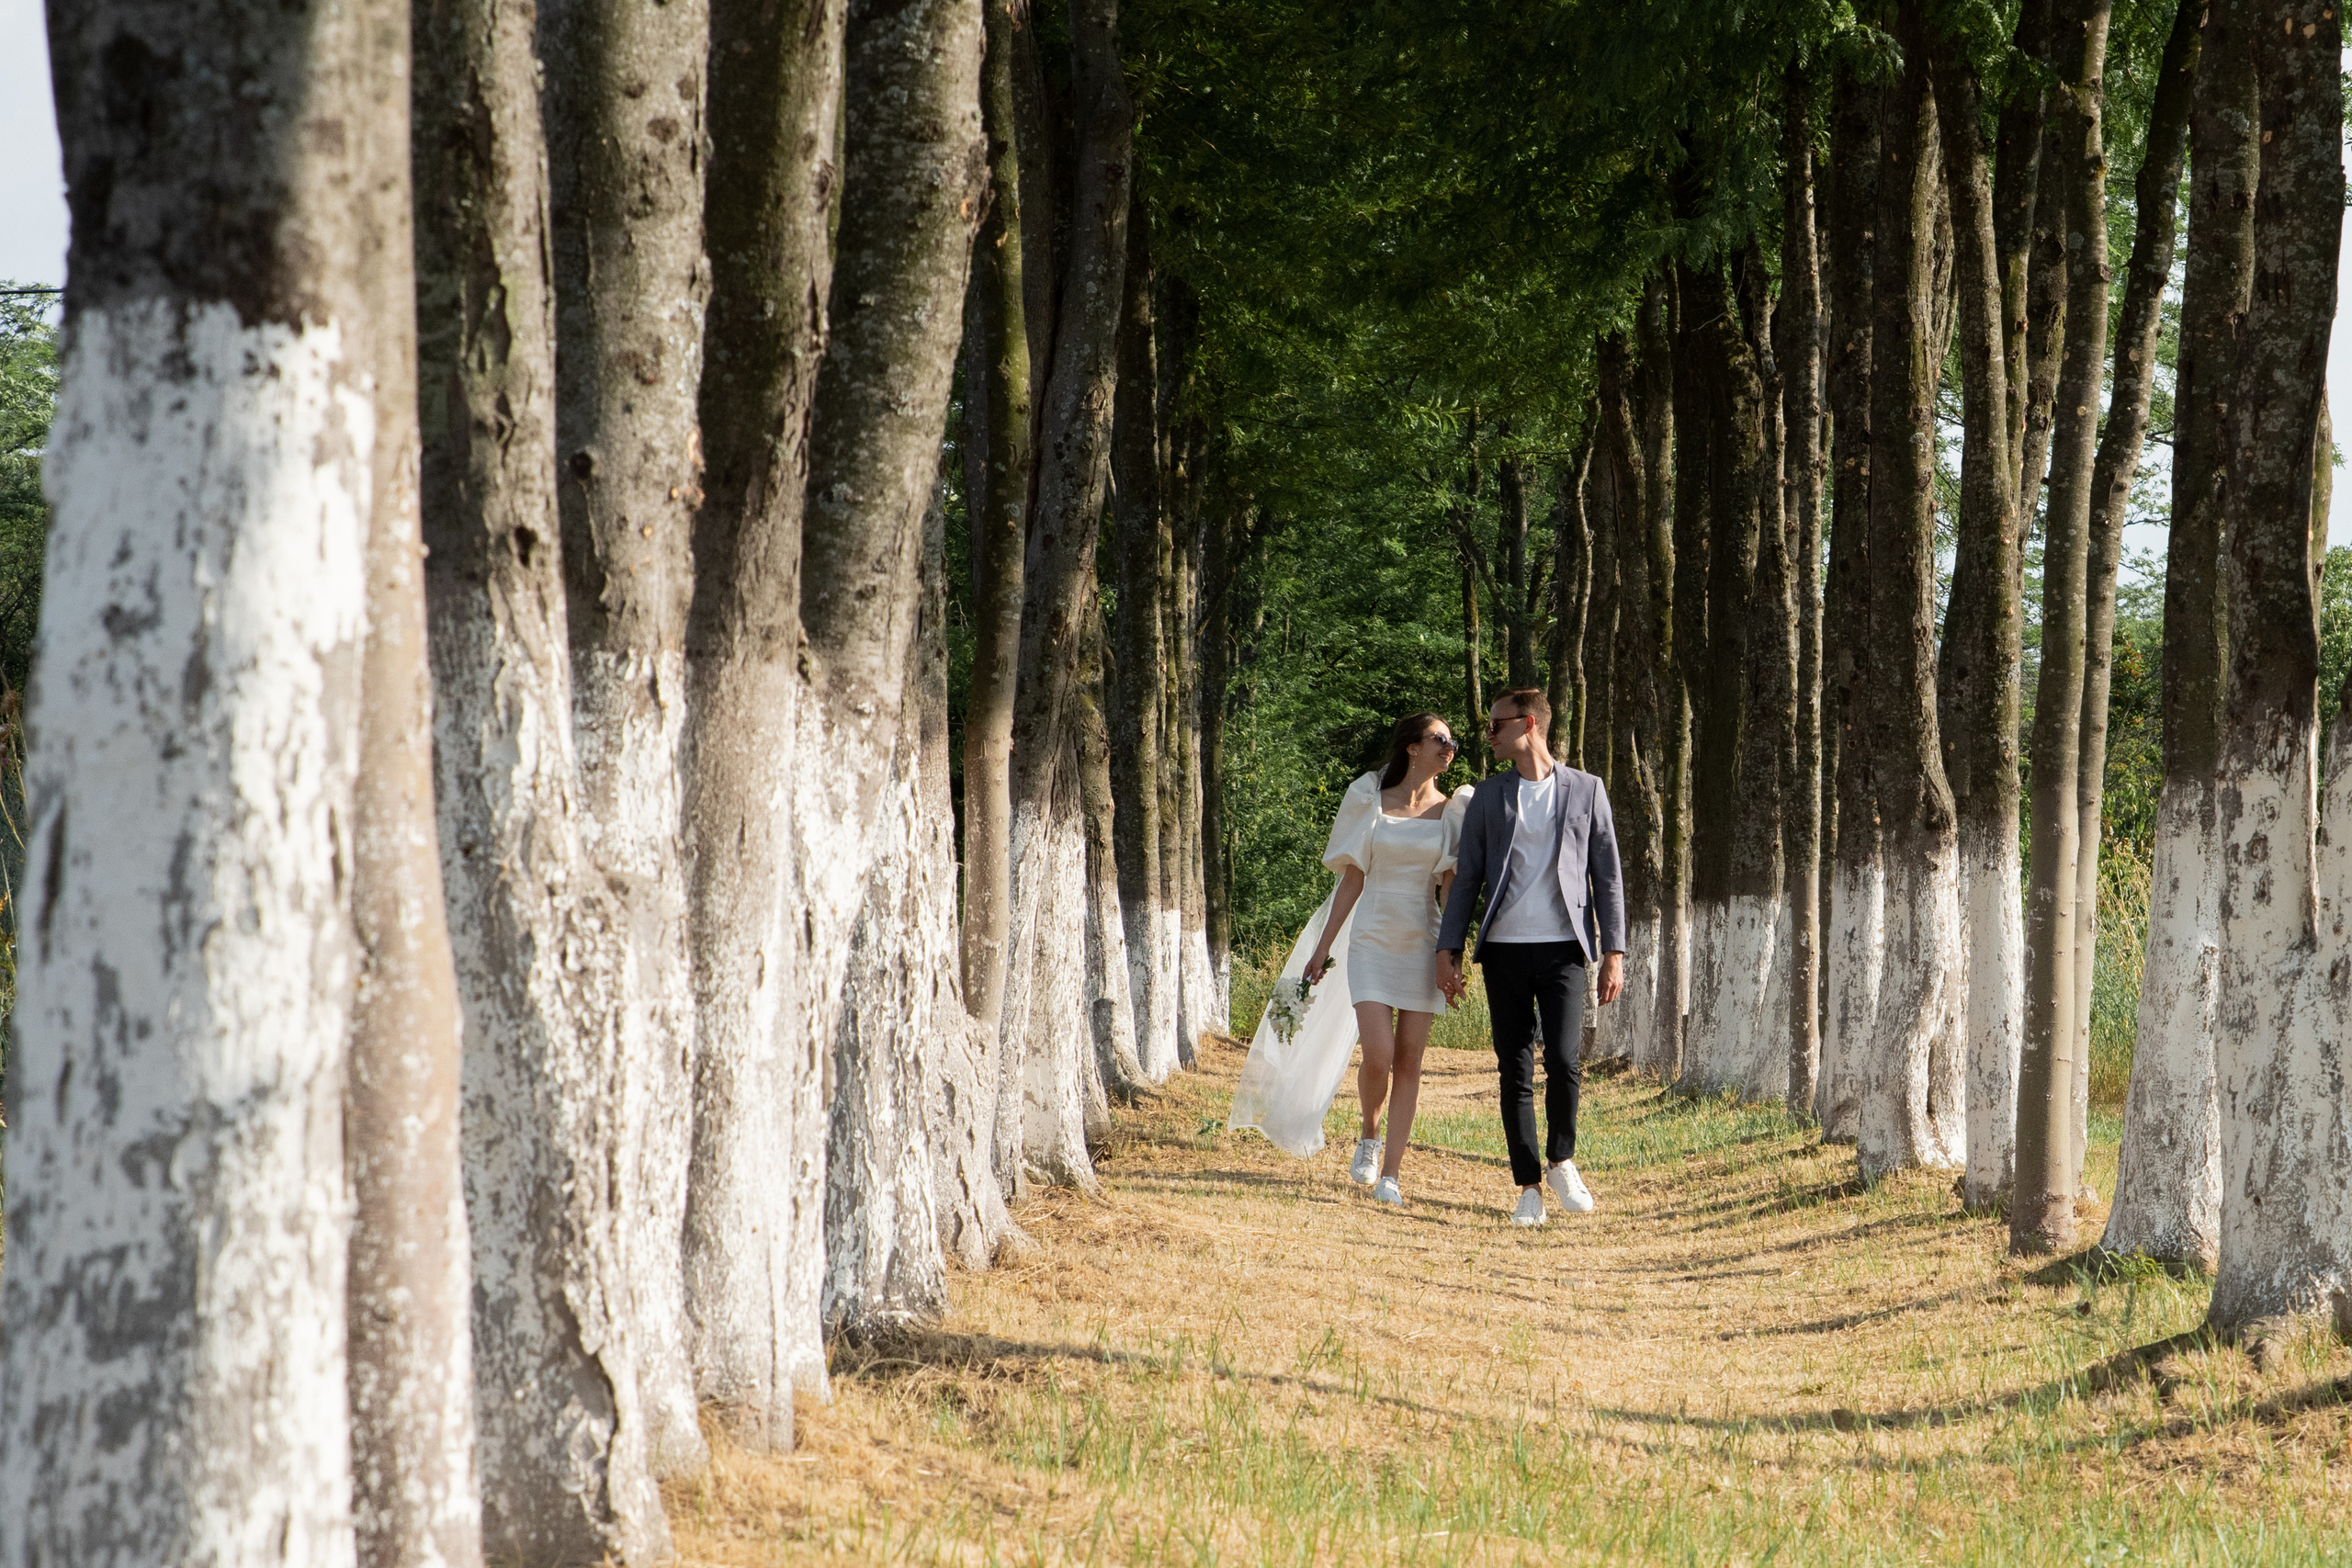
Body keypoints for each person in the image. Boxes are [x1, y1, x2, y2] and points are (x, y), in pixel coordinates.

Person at [1228, 714, 1472, 1209]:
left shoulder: (1455, 811)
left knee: (1410, 1062)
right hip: (1370, 940)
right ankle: (1369, 1132)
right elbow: (1352, 882)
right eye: (1439, 739)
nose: (1451, 747)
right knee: (1378, 1055)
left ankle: (1392, 1175)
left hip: (1422, 941)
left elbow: (1451, 890)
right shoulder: (1369, 800)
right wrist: (1321, 951)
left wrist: (1453, 953)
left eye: (1453, 741)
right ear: (1411, 747)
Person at [1436, 689, 1625, 1227]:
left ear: (1527, 725)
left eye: (1496, 725)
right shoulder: (1488, 798)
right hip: (1503, 951)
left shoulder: (1587, 790)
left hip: (1566, 950)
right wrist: (1447, 949)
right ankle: (1528, 1187)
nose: (1488, 734)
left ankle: (1562, 1159)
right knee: (1513, 1068)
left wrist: (1614, 951)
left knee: (1564, 1061)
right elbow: (1468, 878)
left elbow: (1607, 877)